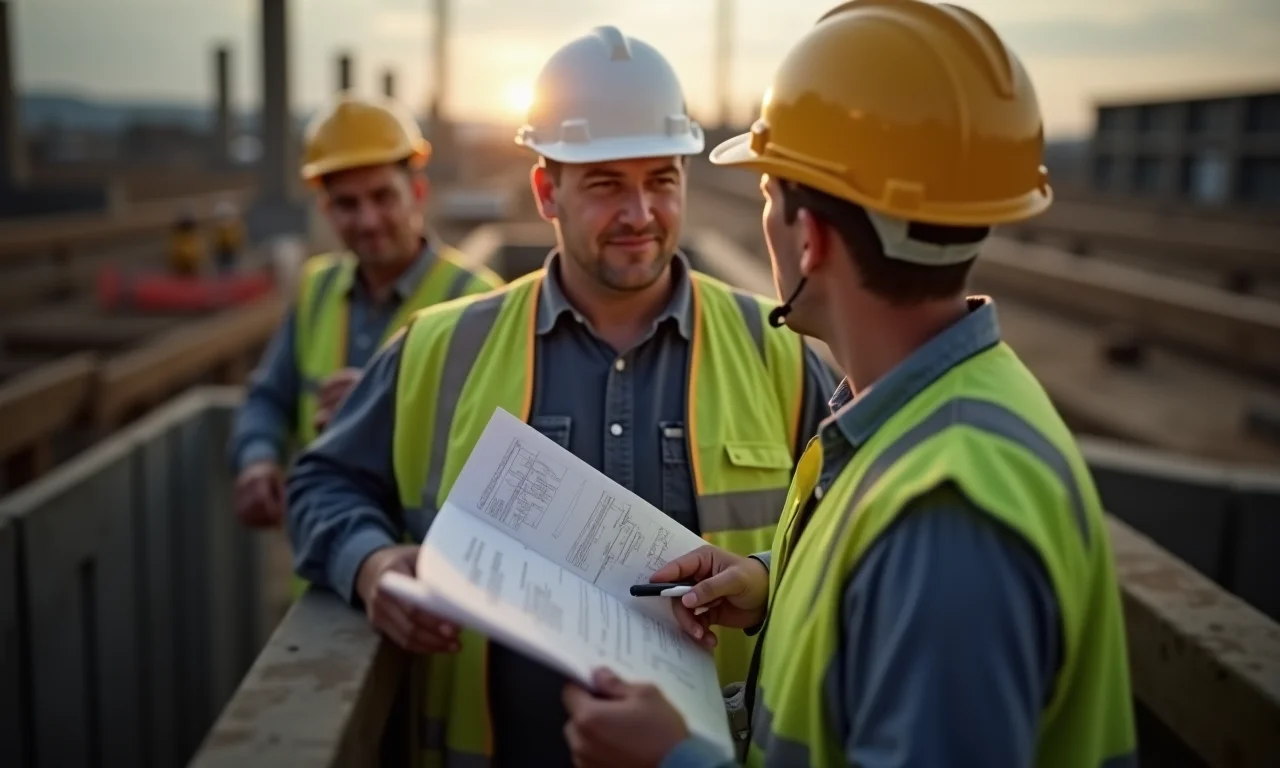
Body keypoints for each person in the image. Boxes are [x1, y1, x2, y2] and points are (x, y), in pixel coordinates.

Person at [558, 2, 1138, 767]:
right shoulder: (914, 413)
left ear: (812, 236)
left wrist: (675, 759)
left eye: (768, 194)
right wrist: (771, 582)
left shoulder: (949, 519)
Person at [286, 26, 838, 768]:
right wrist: (371, 565)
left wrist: (767, 575)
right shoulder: (440, 348)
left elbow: (851, 543)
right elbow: (320, 482)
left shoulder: (778, 355)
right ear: (547, 190)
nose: (641, 213)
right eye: (607, 183)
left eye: (662, 180)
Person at [229, 94, 503, 592]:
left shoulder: (478, 301)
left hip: (434, 583)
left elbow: (500, 460)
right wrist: (257, 458)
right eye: (348, 204)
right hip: (328, 572)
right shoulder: (317, 289)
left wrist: (388, 404)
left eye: (383, 196)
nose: (369, 220)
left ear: (417, 192)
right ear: (326, 207)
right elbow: (269, 395)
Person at [166, 211, 205, 277]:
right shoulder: (177, 239)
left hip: (192, 271)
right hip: (180, 271)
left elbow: (199, 255)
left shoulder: (194, 238)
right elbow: (174, 256)